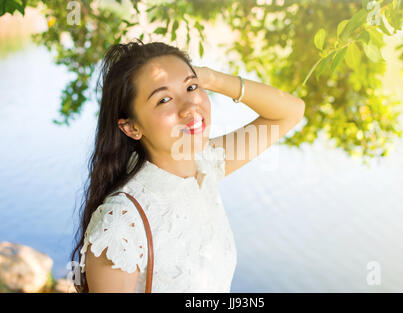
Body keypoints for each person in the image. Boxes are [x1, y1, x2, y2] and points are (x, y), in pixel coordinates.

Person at [70, 39, 305, 293]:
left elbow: (289, 111)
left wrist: (214, 79)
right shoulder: (120, 224)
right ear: (132, 127)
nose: (190, 107)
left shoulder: (205, 166)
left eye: (192, 88)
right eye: (164, 99)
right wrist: (191, 82)